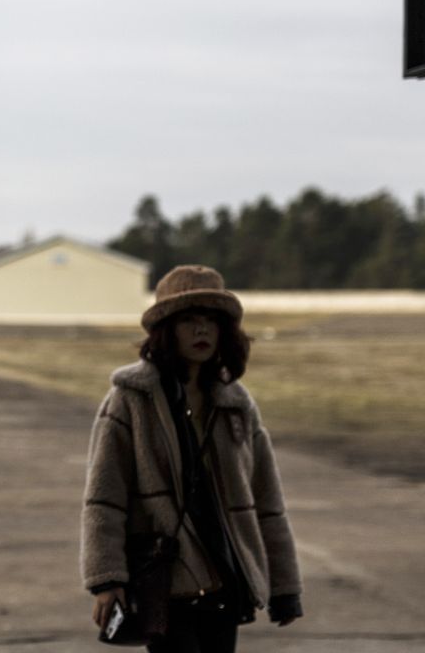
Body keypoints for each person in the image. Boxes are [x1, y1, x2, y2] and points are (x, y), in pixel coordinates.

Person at [81, 265, 302, 652]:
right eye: (188, 321)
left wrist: (284, 587)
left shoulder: (237, 404)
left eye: (210, 322)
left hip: (224, 583)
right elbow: (104, 498)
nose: (201, 331)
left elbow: (268, 502)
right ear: (166, 329)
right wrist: (106, 579)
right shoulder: (130, 400)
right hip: (166, 584)